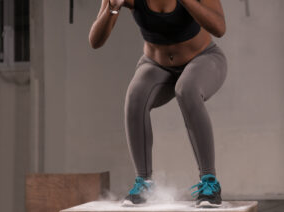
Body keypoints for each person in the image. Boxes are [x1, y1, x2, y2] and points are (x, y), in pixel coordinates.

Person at [89, 0, 227, 208]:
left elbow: (219, 28)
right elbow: (95, 41)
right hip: (156, 66)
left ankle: (209, 182)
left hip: (204, 59)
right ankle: (144, 183)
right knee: (135, 96)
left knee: (187, 89)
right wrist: (113, 8)